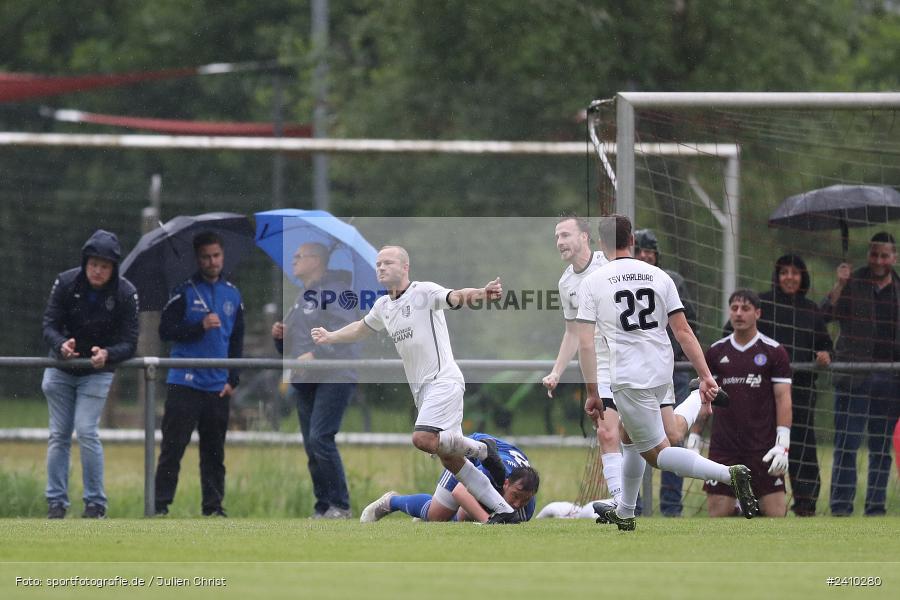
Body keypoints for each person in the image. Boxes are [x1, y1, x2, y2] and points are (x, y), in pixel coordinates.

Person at [311, 245, 521, 524]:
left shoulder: (423, 292)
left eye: (388, 263)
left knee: (423, 439)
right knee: (451, 459)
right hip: (423, 391)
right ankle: (505, 511)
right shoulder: (383, 305)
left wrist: (481, 293)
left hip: (443, 380)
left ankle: (483, 449)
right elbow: (361, 328)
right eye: (378, 264)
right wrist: (331, 336)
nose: (381, 268)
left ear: (405, 267)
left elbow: (455, 296)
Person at [576, 214, 759, 531]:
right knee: (629, 436)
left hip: (630, 379)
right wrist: (706, 376)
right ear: (632, 240)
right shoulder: (660, 276)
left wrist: (593, 393)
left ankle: (728, 474)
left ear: (601, 245)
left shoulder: (593, 282)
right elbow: (683, 331)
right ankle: (626, 510)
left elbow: (586, 345)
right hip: (661, 370)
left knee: (658, 455)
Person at [542, 216, 704, 513]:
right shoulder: (566, 283)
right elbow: (574, 334)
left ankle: (698, 404)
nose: (560, 242)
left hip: (637, 364)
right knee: (607, 433)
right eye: (556, 237)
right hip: (602, 368)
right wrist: (556, 370)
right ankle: (622, 503)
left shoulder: (611, 265)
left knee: (667, 440)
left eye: (565, 235)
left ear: (586, 238)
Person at [41, 229, 139, 519]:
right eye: (93, 264)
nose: (97, 271)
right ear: (85, 262)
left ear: (114, 268)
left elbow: (130, 342)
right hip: (61, 367)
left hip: (97, 370)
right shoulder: (65, 282)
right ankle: (56, 503)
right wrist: (61, 345)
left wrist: (107, 354)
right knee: (59, 434)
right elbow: (49, 324)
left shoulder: (126, 293)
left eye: (105, 266)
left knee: (85, 430)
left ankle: (95, 504)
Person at [154, 231, 245, 517]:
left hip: (217, 387)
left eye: (216, 255)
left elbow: (236, 340)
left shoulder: (233, 294)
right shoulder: (183, 292)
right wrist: (199, 326)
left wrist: (233, 380)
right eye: (206, 257)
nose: (212, 261)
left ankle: (214, 508)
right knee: (172, 449)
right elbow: (165, 331)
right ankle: (159, 506)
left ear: (222, 256)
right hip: (184, 383)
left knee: (214, 454)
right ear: (197, 258)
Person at [272, 243, 360, 519]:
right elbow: (294, 349)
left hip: (334, 375)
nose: (294, 261)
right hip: (305, 379)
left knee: (320, 438)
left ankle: (340, 505)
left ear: (317, 261)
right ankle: (323, 506)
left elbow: (346, 333)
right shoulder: (301, 296)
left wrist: (316, 353)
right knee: (312, 445)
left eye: (300, 256)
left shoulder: (338, 291)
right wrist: (281, 339)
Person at [821, 231, 900, 517]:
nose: (878, 260)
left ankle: (876, 507)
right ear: (868, 255)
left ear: (894, 257)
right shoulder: (852, 283)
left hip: (891, 379)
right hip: (854, 376)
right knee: (847, 443)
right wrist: (839, 285)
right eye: (874, 254)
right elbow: (825, 314)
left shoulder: (898, 288)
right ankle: (841, 507)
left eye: (884, 255)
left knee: (881, 448)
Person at [698, 289, 793, 517]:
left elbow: (783, 398)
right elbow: (702, 398)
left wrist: (783, 444)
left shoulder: (774, 352)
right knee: (718, 516)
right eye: (734, 308)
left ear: (757, 313)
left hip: (763, 447)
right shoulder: (715, 352)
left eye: (745, 308)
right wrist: (694, 436)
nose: (739, 313)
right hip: (724, 447)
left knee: (776, 516)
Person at [755, 254, 832, 516]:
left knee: (802, 446)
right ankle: (758, 499)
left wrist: (824, 354)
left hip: (800, 391)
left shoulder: (811, 310)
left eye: (795, 272)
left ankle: (806, 503)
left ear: (803, 277)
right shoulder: (762, 304)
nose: (790, 277)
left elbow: (824, 344)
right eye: (784, 272)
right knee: (761, 443)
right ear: (777, 276)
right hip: (764, 391)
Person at [633, 228, 700, 517]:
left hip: (671, 371)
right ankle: (631, 505)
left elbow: (688, 323)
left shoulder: (670, 281)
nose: (646, 256)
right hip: (634, 371)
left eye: (650, 251)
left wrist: (682, 357)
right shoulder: (620, 282)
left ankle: (672, 507)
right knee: (631, 437)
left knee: (672, 436)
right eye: (640, 250)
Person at [360, 433, 539, 523]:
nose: (517, 504)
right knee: (437, 514)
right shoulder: (496, 473)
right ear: (506, 483)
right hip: (473, 451)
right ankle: (391, 501)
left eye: (524, 500)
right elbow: (460, 492)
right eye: (515, 496)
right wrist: (488, 522)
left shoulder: (526, 507)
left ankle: (425, 516)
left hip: (502, 459)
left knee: (469, 513)